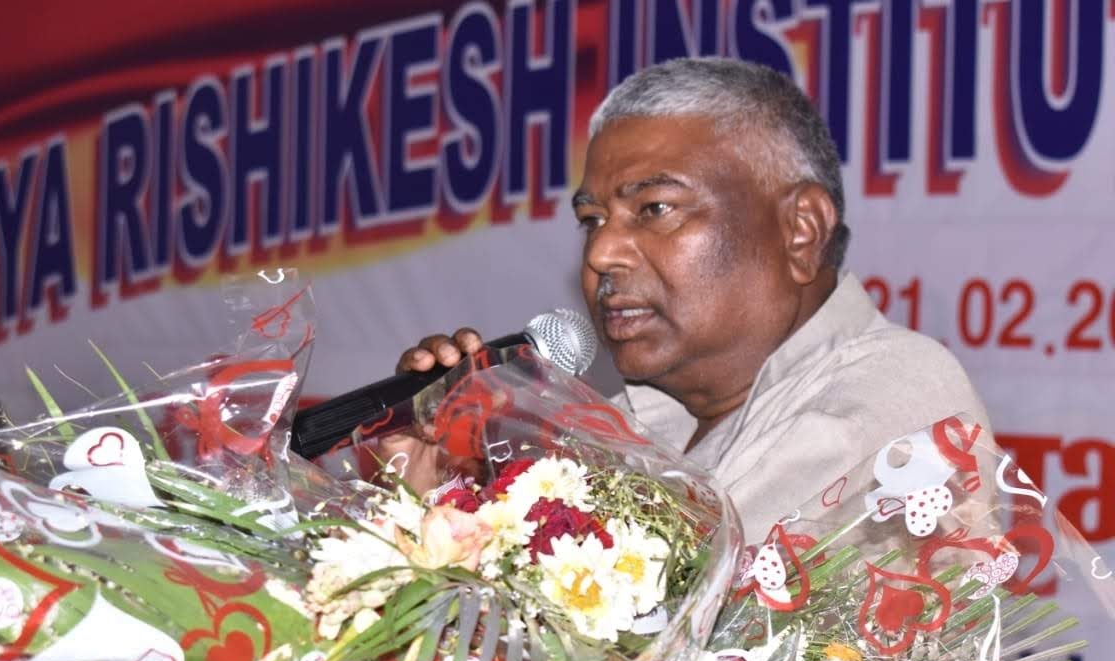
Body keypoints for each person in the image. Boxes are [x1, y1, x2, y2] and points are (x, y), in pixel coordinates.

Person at [395, 56, 990, 546]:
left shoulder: (890, 398)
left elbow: (661, 618)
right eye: (591, 220)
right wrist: (439, 490)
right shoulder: (638, 419)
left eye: (655, 209)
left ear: (801, 230)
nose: (602, 253)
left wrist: (481, 526)